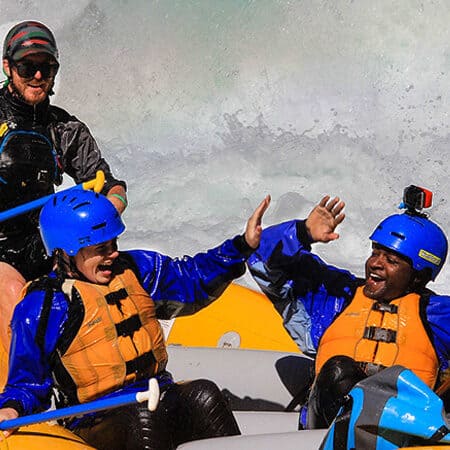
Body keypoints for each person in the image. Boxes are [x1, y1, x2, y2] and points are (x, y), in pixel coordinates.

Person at [0, 189, 271, 449]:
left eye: (113, 244)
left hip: (157, 392)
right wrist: (11, 408)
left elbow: (191, 277)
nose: (113, 254)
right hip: (95, 418)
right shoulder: (44, 305)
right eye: (100, 248)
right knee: (143, 420)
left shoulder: (135, 269)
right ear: (66, 252)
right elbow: (26, 382)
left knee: (204, 395)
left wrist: (241, 246)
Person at [247, 188, 450, 429]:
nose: (375, 263)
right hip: (323, 433)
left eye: (391, 260)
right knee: (338, 371)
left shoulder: (438, 315)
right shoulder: (335, 297)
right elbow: (259, 256)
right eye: (375, 252)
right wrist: (302, 233)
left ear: (419, 276)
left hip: (398, 436)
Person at [0, 21, 127, 350]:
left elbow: (106, 180)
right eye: (28, 67)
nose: (38, 76)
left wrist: (115, 200)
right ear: (8, 67)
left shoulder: (64, 128)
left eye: (46, 67)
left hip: (44, 248)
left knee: (102, 288)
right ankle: (19, 394)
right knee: (20, 303)